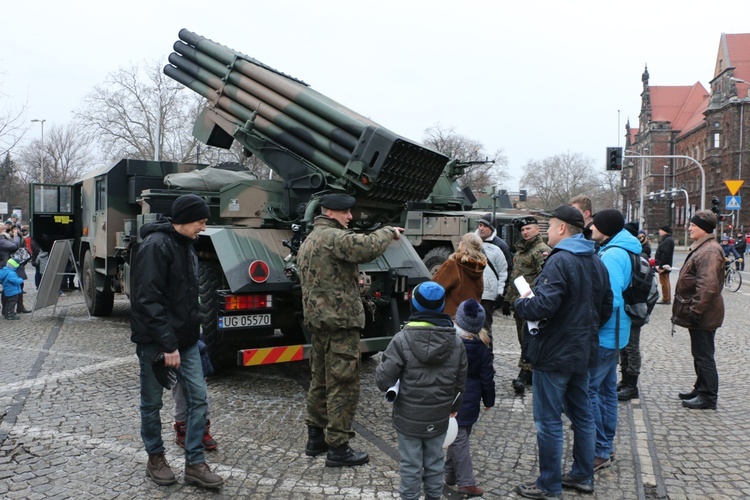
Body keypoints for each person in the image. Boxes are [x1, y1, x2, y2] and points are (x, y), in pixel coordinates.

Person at [297, 193, 404, 467]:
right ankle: (339, 447)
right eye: (346, 213)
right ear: (332, 212)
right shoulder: (332, 237)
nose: (350, 218)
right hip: (340, 323)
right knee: (343, 382)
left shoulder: (310, 239)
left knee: (320, 378)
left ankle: (315, 437)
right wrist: (388, 232)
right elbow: (365, 247)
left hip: (320, 321)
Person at [514, 205, 612, 499]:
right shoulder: (595, 259)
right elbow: (606, 307)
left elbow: (542, 306)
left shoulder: (560, 261)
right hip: (583, 351)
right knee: (582, 416)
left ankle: (549, 485)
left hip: (554, 353)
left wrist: (522, 303)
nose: (546, 232)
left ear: (560, 229)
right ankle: (583, 476)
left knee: (548, 421)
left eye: (549, 226)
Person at [131, 193, 223, 488]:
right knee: (152, 403)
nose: (203, 228)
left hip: (186, 341)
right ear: (183, 220)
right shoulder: (155, 246)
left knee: (199, 399)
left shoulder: (187, 245)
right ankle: (155, 459)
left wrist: (190, 339)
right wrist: (168, 345)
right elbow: (148, 300)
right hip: (156, 344)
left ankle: (195, 463)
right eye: (200, 221)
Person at [375, 281, 467, 500]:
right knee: (435, 463)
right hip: (439, 416)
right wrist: (454, 407)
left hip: (408, 417)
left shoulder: (402, 339)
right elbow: (460, 382)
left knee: (410, 465)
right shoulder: (456, 342)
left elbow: (382, 380)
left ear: (414, 305)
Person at [589, 209, 641, 471]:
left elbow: (611, 298)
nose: (591, 228)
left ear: (604, 228)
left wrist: (591, 326)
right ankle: (605, 446)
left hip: (606, 334)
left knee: (589, 392)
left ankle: (600, 451)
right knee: (607, 392)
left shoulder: (611, 254)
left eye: (594, 225)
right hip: (618, 332)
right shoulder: (625, 247)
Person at [672, 210, 725, 410]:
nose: (689, 228)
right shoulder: (705, 247)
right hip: (703, 312)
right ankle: (700, 387)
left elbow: (708, 286)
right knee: (700, 353)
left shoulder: (709, 251)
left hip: (705, 313)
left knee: (704, 355)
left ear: (703, 228)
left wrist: (696, 310)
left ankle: (708, 396)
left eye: (693, 225)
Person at [444, 299, 495, 498]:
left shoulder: (450, 342)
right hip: (471, 400)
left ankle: (464, 482)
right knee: (459, 437)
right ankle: (452, 475)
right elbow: (487, 378)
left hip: (452, 397)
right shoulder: (483, 347)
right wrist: (489, 400)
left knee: (457, 439)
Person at [503, 216, 551, 394]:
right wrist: (507, 300)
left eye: (528, 229)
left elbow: (546, 279)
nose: (525, 232)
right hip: (519, 304)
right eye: (523, 230)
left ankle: (524, 373)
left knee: (530, 339)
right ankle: (530, 370)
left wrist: (538, 302)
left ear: (538, 230)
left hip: (531, 304)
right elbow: (515, 278)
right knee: (522, 339)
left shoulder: (542, 251)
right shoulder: (521, 251)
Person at [617, 222, 650, 401]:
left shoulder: (636, 256)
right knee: (625, 346)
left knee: (631, 347)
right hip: (630, 307)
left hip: (634, 308)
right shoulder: (631, 254)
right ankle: (625, 380)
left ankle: (632, 385)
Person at [172, 333, 217, 452]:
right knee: (180, 395)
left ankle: (203, 430)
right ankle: (182, 430)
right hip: (173, 344)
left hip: (193, 341)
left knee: (201, 395)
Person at [432, 232, 486, 317]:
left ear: (464, 245)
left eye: (461, 241)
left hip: (453, 317)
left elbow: (435, 287)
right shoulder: (478, 267)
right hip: (471, 317)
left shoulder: (453, 265)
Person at [475, 223, 507, 332]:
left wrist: (502, 292)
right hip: (471, 291)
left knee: (485, 327)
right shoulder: (470, 243)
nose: (481, 228)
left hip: (487, 294)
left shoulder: (499, 246)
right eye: (480, 225)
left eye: (485, 226)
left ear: (492, 229)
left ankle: (487, 348)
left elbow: (504, 271)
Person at [654, 225, 675, 304]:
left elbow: (665, 254)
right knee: (665, 281)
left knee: (664, 282)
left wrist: (660, 266)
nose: (659, 232)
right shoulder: (667, 239)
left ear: (664, 231)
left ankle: (666, 298)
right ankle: (666, 297)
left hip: (664, 265)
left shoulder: (667, 240)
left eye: (660, 230)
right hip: (664, 264)